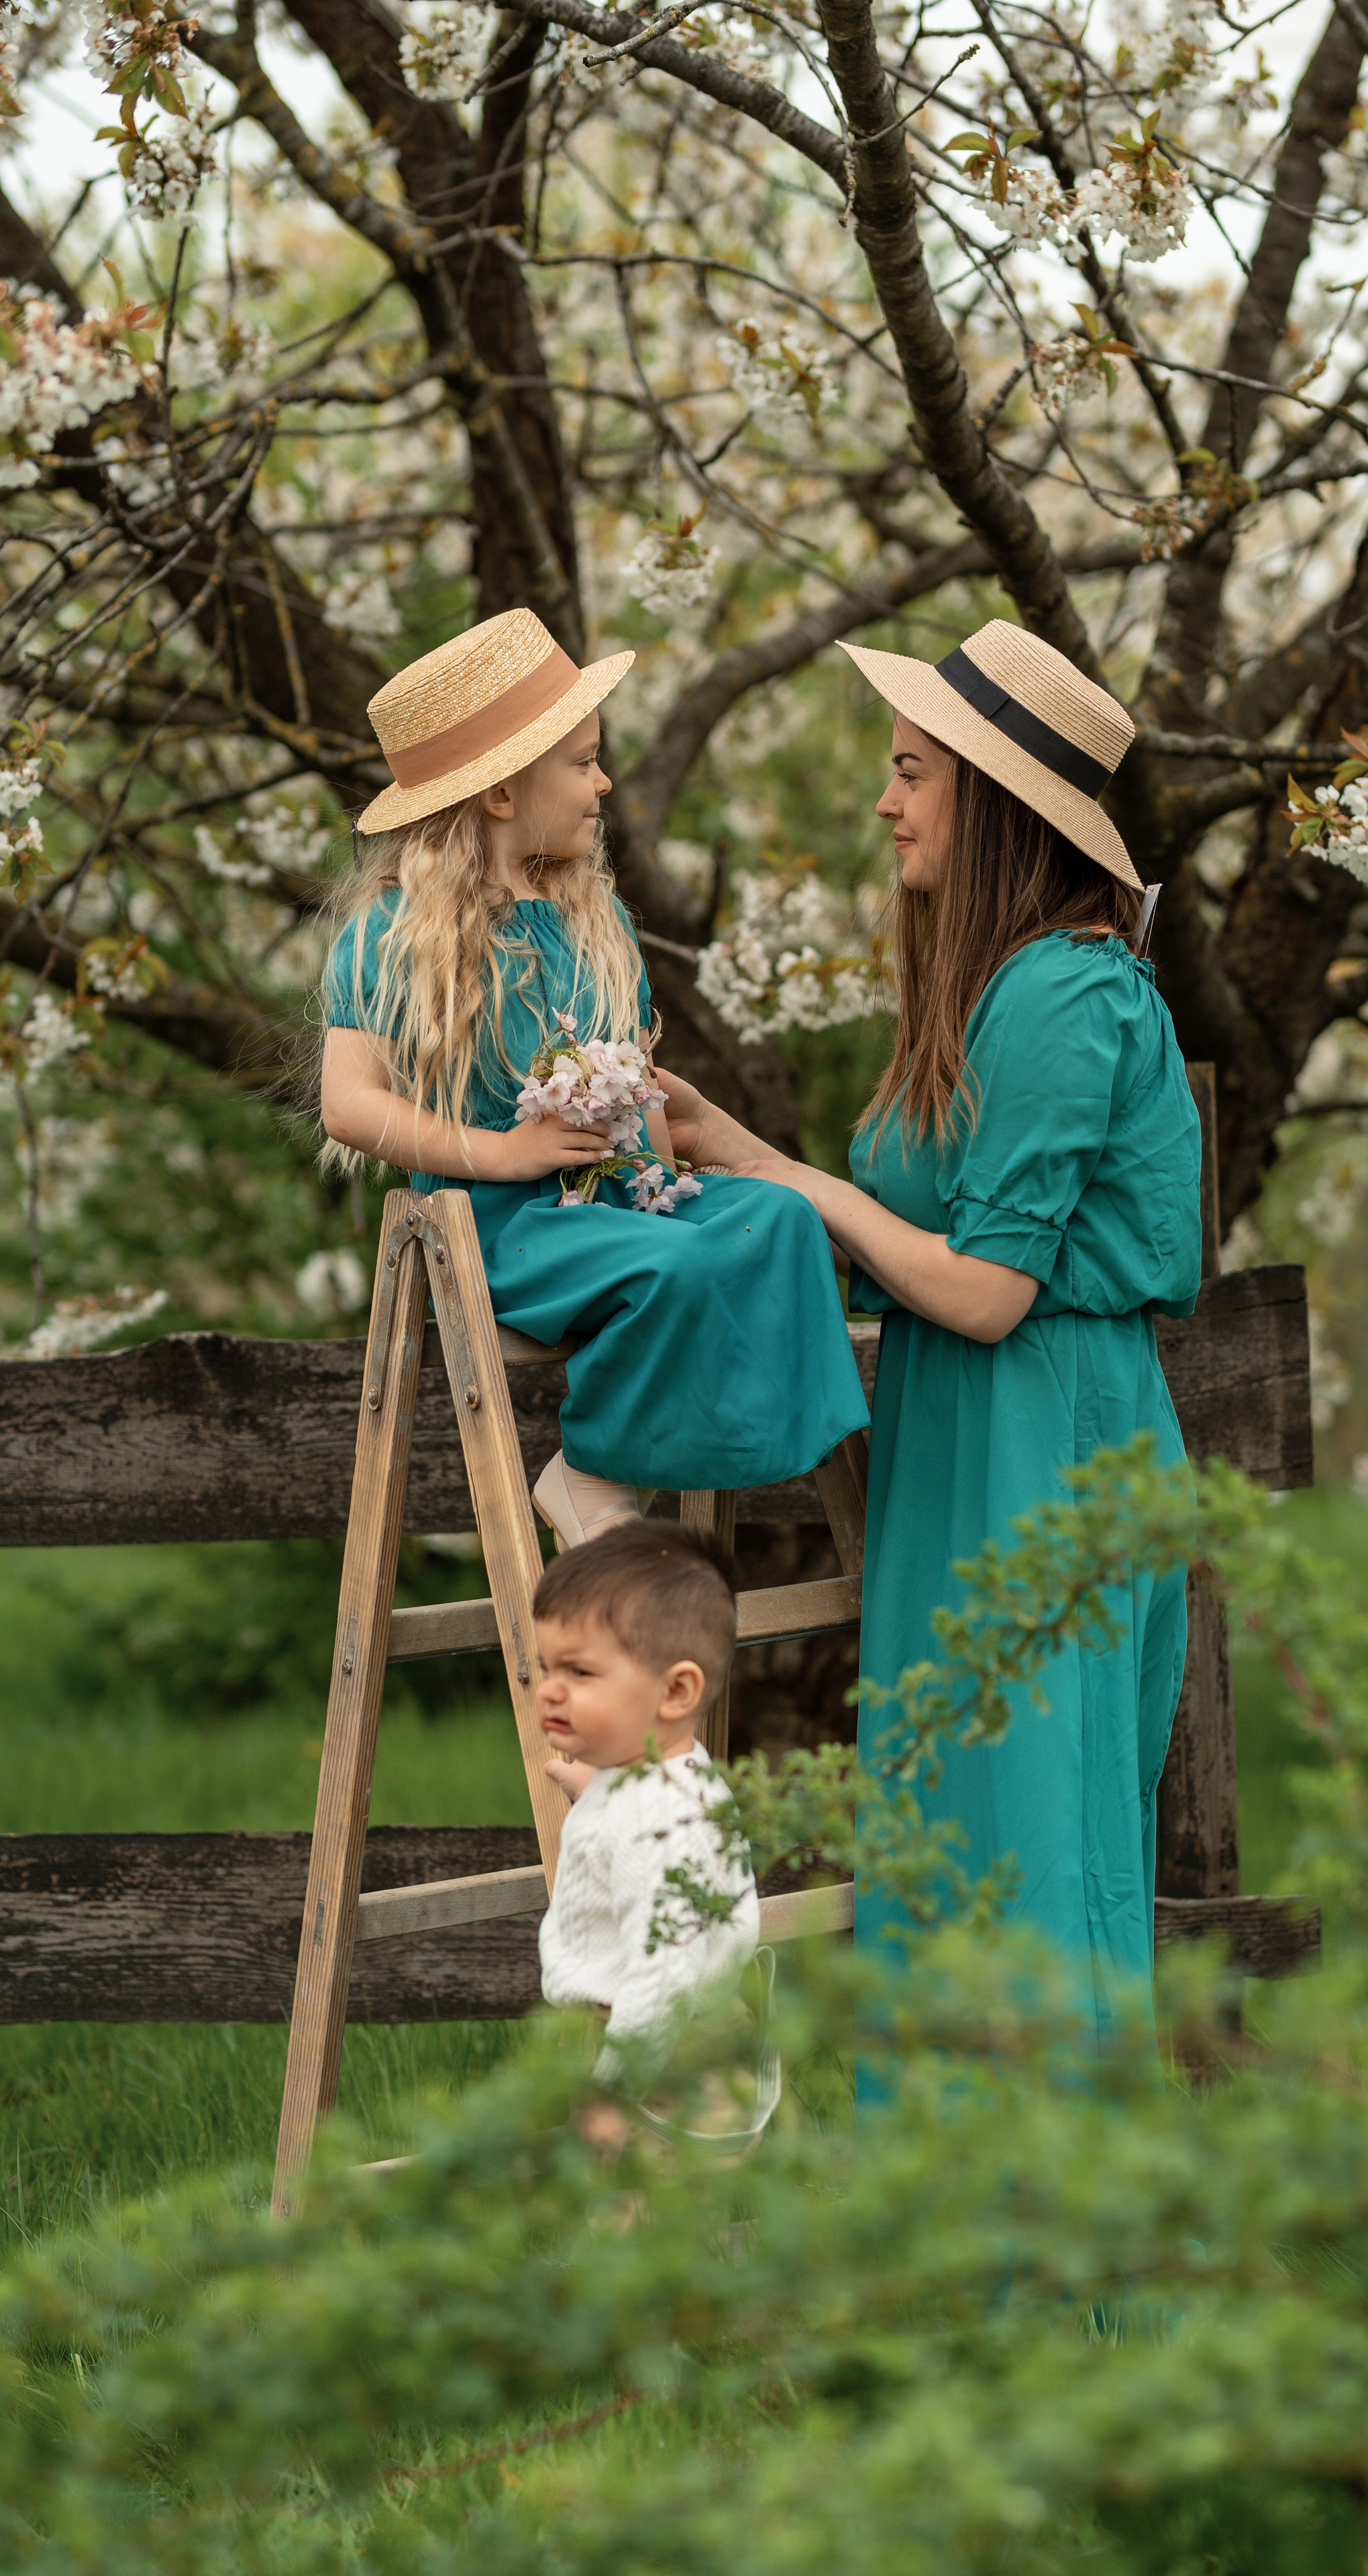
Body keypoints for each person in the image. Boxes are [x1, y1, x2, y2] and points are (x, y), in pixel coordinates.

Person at [662, 620, 1204, 2040]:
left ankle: (1077, 2262)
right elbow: (913, 1246)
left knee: (1037, 1871)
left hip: (1045, 1436)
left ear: (996, 802)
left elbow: (983, 1289)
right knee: (943, 1852)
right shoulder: (991, 993)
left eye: (911, 773)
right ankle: (957, 2242)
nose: (883, 803)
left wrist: (795, 1183)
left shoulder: (1068, 993)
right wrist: (726, 1151)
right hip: (958, 1440)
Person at [318, 606, 869, 1548]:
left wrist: (670, 1180)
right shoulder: (394, 932)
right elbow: (348, 1103)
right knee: (682, 1264)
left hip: (619, 1203)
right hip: (506, 1224)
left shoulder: (593, 919)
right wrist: (502, 1153)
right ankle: (594, 1471)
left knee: (776, 1218)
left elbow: (636, 1080)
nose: (604, 781)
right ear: (501, 794)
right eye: (580, 763)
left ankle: (736, 1453)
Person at [533, 1520, 761, 2103]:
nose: (550, 1691)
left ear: (676, 1693)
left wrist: (616, 2096)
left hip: (650, 2049)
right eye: (547, 1667)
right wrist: (596, 1787)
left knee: (626, 2194)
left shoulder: (654, 1825)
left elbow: (663, 1977)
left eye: (580, 1672)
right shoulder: (663, 1777)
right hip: (669, 2036)